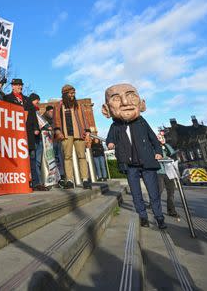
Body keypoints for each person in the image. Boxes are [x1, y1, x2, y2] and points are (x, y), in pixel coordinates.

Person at [103, 83, 166, 229]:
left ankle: (159, 217)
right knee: (136, 193)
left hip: (147, 162)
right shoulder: (115, 126)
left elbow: (153, 139)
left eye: (131, 96)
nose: (125, 102)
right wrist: (111, 143)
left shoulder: (141, 122)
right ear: (106, 110)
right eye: (117, 98)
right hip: (129, 164)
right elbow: (109, 139)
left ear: (142, 104)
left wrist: (158, 152)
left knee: (153, 192)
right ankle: (143, 216)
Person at [4, 80, 42, 189]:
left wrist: (36, 127)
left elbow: (33, 115)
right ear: (13, 87)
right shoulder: (7, 98)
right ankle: (19, 182)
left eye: (21, 85)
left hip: (28, 132)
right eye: (17, 85)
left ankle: (35, 182)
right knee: (17, 157)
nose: (20, 86)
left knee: (32, 157)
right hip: (15, 133)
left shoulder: (27, 100)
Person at [53, 85, 92, 189]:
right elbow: (56, 119)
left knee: (82, 156)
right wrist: (57, 131)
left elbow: (84, 118)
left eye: (73, 93)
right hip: (65, 134)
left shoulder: (78, 104)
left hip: (79, 133)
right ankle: (69, 180)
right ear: (65, 94)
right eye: (70, 93)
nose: (72, 95)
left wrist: (87, 131)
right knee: (67, 157)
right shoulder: (58, 105)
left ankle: (85, 179)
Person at [157, 131, 179, 218]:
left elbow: (172, 154)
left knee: (171, 192)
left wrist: (165, 144)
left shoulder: (166, 146)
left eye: (162, 138)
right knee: (160, 190)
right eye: (158, 138)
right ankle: (155, 206)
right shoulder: (153, 146)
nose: (160, 139)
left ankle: (172, 211)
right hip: (159, 171)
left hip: (168, 171)